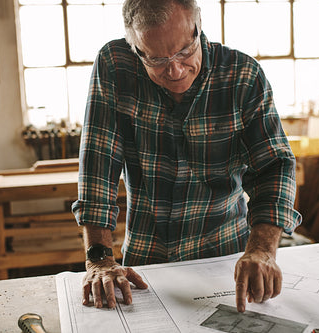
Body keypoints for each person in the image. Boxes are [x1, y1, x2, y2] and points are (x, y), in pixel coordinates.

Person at [71, 0, 302, 313]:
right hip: (147, 258)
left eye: (184, 51)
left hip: (225, 257)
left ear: (198, 26)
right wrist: (99, 258)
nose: (175, 70)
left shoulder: (242, 75)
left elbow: (275, 166)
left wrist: (262, 250)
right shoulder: (115, 65)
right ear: (135, 46)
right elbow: (99, 162)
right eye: (156, 59)